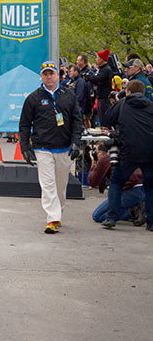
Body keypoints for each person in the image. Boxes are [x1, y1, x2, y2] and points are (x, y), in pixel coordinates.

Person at [18, 61, 82, 234]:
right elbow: (24, 125)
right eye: (45, 74)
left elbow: (77, 121)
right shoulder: (33, 98)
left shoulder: (69, 95)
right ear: (41, 76)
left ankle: (58, 212)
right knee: (47, 184)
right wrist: (25, 147)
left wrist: (76, 142)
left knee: (60, 185)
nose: (49, 77)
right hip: (42, 148)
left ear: (58, 75)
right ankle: (52, 218)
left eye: (51, 74)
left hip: (64, 148)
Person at [100, 79, 153, 231]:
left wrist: (118, 101)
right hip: (149, 152)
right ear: (143, 92)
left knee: (116, 182)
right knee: (150, 186)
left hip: (128, 152)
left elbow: (107, 119)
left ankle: (111, 217)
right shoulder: (151, 106)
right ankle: (151, 222)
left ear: (128, 92)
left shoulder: (123, 104)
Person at [88, 140, 145, 225]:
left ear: (100, 152)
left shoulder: (105, 159)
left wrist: (93, 164)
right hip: (142, 188)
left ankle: (133, 212)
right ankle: (137, 207)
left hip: (130, 191)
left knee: (97, 216)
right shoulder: (126, 154)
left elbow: (93, 182)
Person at [88, 50, 114, 127]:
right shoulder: (103, 69)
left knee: (104, 119)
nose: (96, 59)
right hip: (101, 97)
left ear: (101, 59)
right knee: (101, 118)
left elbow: (98, 79)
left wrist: (89, 77)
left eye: (97, 57)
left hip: (104, 98)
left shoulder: (106, 70)